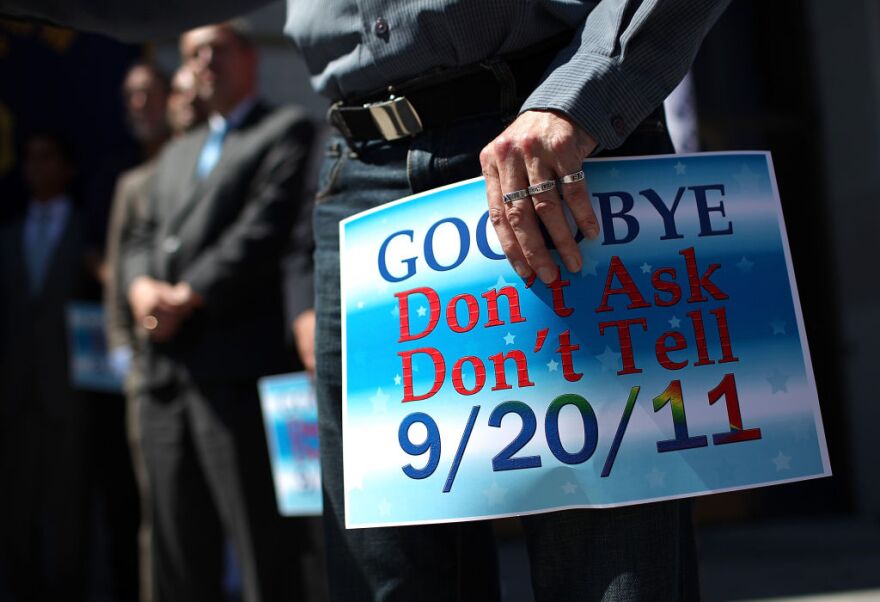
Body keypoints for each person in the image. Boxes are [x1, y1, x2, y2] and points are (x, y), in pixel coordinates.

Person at [0, 1, 733, 599]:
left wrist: (589, 92)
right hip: (365, 177)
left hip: (553, 142)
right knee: (388, 569)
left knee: (610, 567)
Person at [121, 22, 316, 602]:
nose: (203, 62)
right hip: (165, 378)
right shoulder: (177, 151)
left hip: (236, 373)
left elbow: (263, 229)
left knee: (264, 550)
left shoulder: (285, 130)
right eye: (190, 54)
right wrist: (138, 290)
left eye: (215, 49)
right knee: (177, 553)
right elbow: (140, 234)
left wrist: (190, 294)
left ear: (249, 56)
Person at [0, 130, 95, 600]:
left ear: (67, 167)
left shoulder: (85, 233)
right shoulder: (9, 236)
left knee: (66, 504)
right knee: (16, 503)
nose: (36, 168)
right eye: (30, 159)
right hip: (16, 395)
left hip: (68, 392)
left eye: (47, 158)